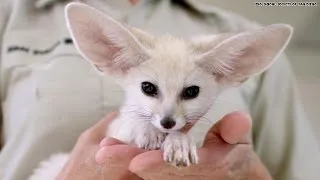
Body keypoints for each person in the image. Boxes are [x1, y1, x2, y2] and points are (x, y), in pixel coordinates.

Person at [0, 0, 319, 180]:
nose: (168, 116)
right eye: (150, 89)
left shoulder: (239, 32)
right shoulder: (11, 16)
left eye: (190, 93)